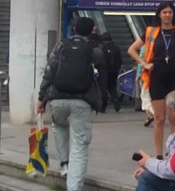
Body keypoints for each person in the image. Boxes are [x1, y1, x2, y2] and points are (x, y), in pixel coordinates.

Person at [37, 17, 105, 191]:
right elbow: (102, 70)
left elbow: (49, 71)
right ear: (91, 30)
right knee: (80, 145)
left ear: (74, 29)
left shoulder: (60, 46)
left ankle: (64, 164)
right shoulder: (94, 49)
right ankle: (73, 187)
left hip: (58, 98)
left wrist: (41, 97)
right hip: (82, 101)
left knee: (59, 126)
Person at [127, 2, 175, 159]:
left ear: (173, 14)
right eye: (164, 12)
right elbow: (131, 49)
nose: (167, 15)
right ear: (159, 14)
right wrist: (144, 63)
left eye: (170, 12)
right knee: (159, 118)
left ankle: (174, 150)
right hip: (157, 77)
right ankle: (159, 154)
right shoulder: (150, 32)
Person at [99, 32, 123, 113]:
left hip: (104, 71)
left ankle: (103, 106)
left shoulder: (101, 47)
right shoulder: (116, 48)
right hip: (114, 71)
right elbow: (120, 60)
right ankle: (116, 101)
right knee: (112, 87)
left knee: (103, 88)